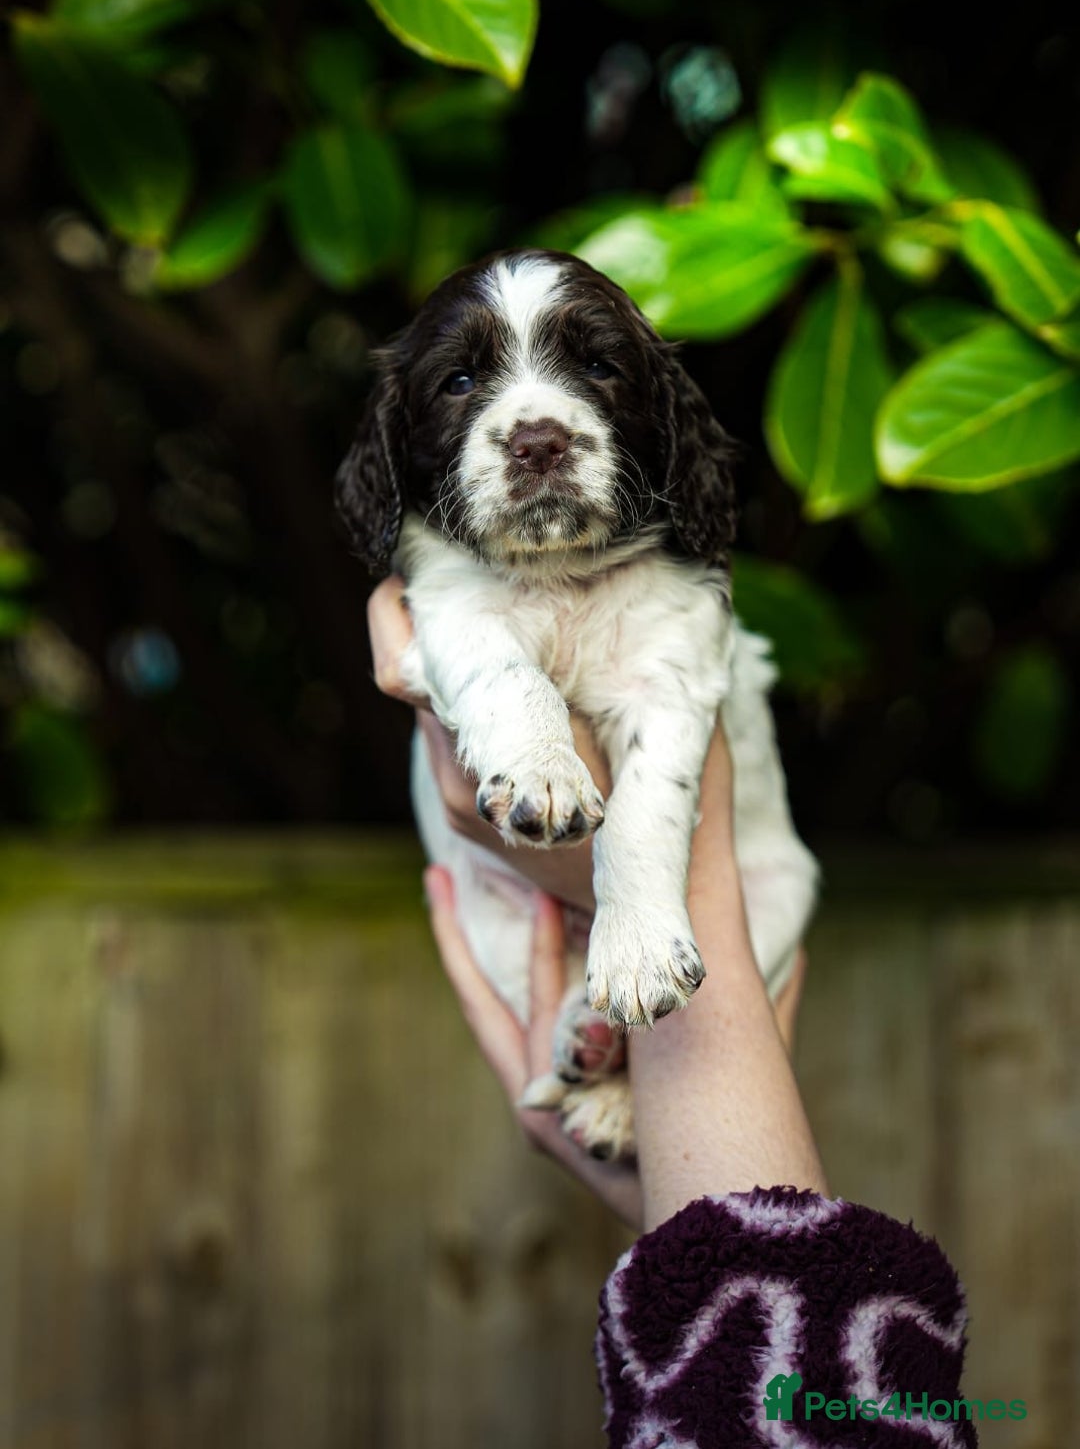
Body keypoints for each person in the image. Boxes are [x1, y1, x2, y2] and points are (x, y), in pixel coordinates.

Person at [368, 577, 979, 1447]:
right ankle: (594, 1022)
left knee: (780, 888)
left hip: (702, 913)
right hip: (560, 930)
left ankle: (603, 1031)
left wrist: (666, 898)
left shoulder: (671, 591)